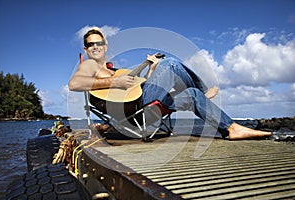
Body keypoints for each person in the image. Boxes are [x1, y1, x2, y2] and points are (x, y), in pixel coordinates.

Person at [69, 27, 272, 140]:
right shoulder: (89, 66)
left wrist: (151, 68)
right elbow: (75, 84)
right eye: (90, 44)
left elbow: (141, 88)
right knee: (172, 64)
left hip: (140, 106)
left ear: (106, 45)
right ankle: (204, 91)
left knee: (191, 94)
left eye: (99, 43)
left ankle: (231, 129)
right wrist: (116, 81)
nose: (95, 47)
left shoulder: (115, 69)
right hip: (132, 110)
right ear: (86, 49)